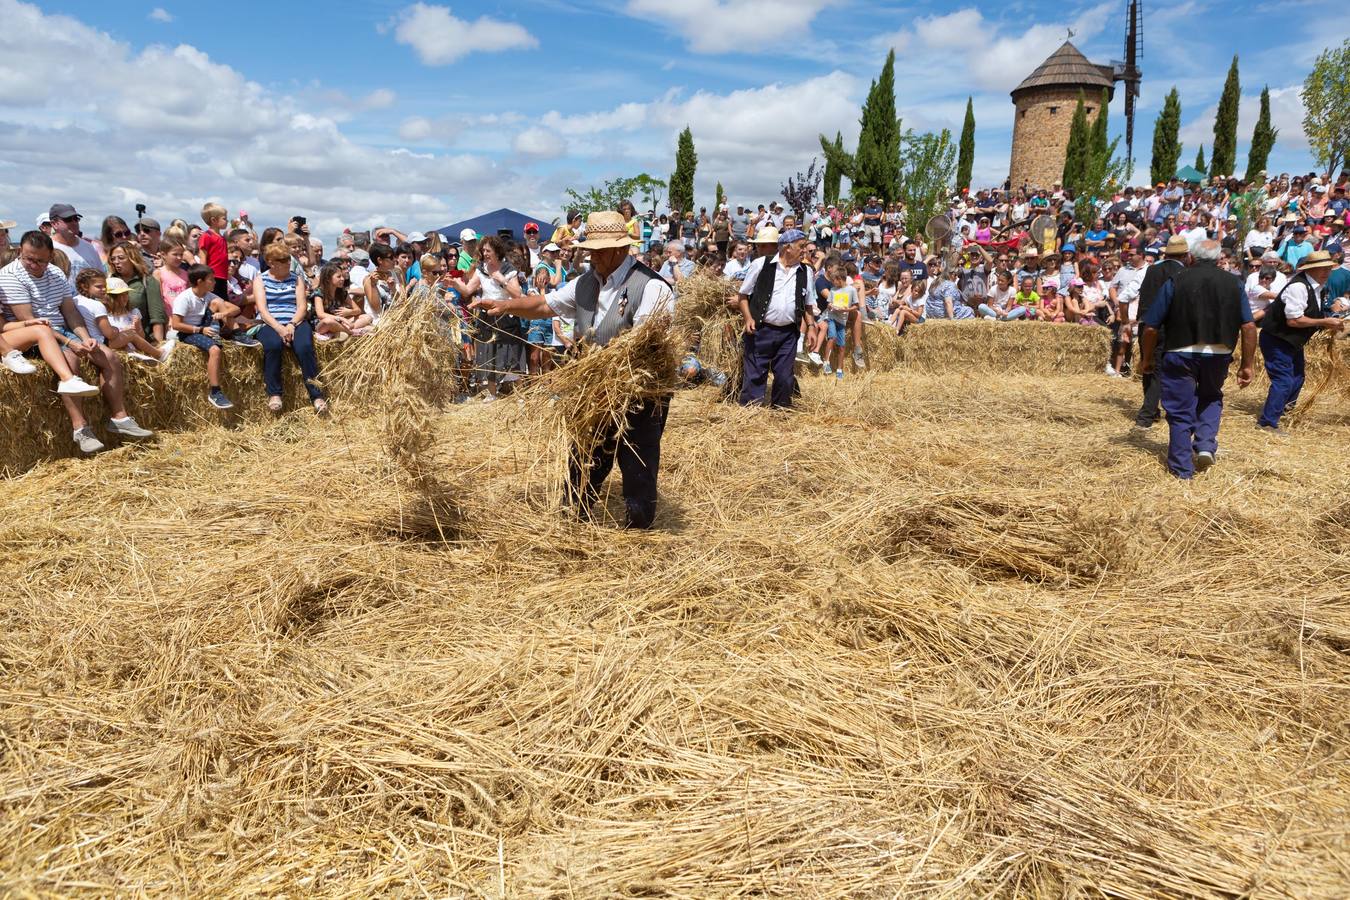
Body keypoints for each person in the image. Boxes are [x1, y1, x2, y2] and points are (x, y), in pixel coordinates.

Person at [472, 211, 674, 529]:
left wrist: (606, 368)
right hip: (593, 391)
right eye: (589, 249)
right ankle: (573, 522)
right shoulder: (584, 284)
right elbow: (544, 305)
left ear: (619, 249)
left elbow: (641, 343)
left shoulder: (651, 288)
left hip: (638, 395)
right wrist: (505, 305)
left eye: (596, 250)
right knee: (584, 458)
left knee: (637, 463)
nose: (589, 256)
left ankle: (638, 536)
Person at [0, 231, 153, 451]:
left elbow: (70, 312)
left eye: (39, 260)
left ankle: (119, 418)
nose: (33, 264)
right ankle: (80, 428)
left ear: (51, 256)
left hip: (61, 329)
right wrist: (71, 343)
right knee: (71, 359)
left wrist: (86, 338)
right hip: (34, 335)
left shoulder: (55, 273)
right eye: (28, 258)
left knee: (109, 357)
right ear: (20, 252)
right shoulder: (10, 275)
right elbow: (30, 322)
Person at [1138, 240, 1257, 478]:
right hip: (1219, 352)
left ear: (1191, 257)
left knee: (1181, 410)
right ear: (1219, 258)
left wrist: (1147, 359)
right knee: (1211, 397)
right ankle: (1204, 444)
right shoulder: (1234, 283)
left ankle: (1182, 470)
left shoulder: (1176, 280)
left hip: (1180, 351)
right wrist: (1247, 364)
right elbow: (1249, 326)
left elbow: (1151, 327)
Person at [1256, 250, 1345, 433]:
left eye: (1328, 269)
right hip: (1277, 338)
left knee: (1298, 377)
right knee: (1284, 380)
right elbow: (1294, 320)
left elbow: (1314, 313)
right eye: (1322, 269)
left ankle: (1286, 413)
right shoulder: (1298, 286)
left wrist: (1331, 316)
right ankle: (1267, 422)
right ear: (1311, 270)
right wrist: (1324, 322)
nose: (1326, 272)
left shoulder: (1318, 288)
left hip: (1291, 341)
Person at [737, 229, 813, 407]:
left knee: (785, 376)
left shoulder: (806, 272)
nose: (805, 250)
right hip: (761, 329)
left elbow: (808, 304)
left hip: (789, 333)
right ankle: (750, 410)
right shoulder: (760, 265)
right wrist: (748, 318)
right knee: (755, 372)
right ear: (787, 247)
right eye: (801, 247)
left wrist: (811, 327)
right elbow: (742, 296)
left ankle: (780, 409)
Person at [1133, 235, 1190, 429]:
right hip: (1169, 327)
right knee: (1159, 370)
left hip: (1146, 324)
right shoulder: (1185, 274)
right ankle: (1147, 415)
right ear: (1186, 255)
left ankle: (1153, 411)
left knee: (1148, 365)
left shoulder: (1151, 270)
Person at [170, 264, 240, 411]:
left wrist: (224, 314)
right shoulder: (184, 298)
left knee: (219, 303)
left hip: (204, 326)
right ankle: (215, 392)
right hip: (188, 332)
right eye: (211, 280)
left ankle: (238, 334)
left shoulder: (209, 296)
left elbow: (236, 309)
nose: (215, 282)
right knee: (214, 350)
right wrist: (200, 330)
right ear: (200, 281)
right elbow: (176, 325)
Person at [74, 270, 172, 365]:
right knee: (130, 334)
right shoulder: (97, 306)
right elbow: (110, 334)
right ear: (109, 297)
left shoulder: (76, 300)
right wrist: (118, 330)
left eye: (126, 294)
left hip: (94, 342)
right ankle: (159, 354)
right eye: (119, 295)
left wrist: (137, 327)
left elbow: (141, 337)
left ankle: (134, 355)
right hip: (102, 343)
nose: (124, 297)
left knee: (129, 335)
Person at [106, 239, 168, 342]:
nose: (116, 262)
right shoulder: (109, 280)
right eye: (113, 259)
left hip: (142, 339)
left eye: (121, 258)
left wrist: (158, 344)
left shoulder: (147, 281)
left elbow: (157, 317)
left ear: (132, 258)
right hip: (115, 339)